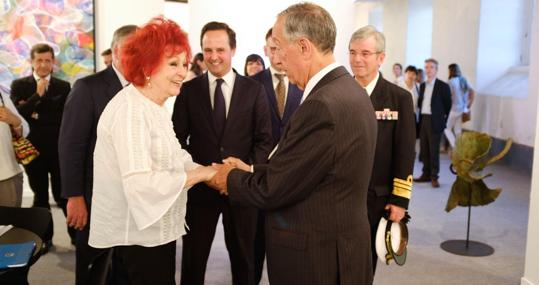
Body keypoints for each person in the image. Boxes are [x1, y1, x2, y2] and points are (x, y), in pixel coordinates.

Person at [208, 3, 377, 284]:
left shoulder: (322, 105)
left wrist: (230, 178)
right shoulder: (350, 90)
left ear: (303, 47)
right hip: (342, 250)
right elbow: (310, 171)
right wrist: (251, 171)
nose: (278, 59)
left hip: (316, 260)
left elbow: (274, 190)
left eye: (279, 46)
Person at [87, 18, 216, 285]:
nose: (182, 72)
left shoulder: (152, 106)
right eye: (173, 64)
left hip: (154, 234)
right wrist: (204, 174)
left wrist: (213, 173)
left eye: (185, 64)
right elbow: (141, 184)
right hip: (137, 240)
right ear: (146, 65)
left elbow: (175, 157)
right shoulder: (132, 111)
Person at [172, 21, 272, 285]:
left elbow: (264, 140)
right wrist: (202, 173)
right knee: (193, 261)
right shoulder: (189, 91)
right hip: (200, 190)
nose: (214, 56)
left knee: (244, 260)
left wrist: (243, 172)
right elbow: (176, 140)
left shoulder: (254, 90)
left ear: (233, 50)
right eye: (208, 50)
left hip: (240, 190)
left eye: (220, 49)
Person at [59, 24, 137, 285]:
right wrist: (75, 196)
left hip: (132, 201)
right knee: (95, 271)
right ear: (116, 51)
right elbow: (71, 146)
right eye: (131, 51)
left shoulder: (143, 89)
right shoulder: (87, 88)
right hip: (95, 201)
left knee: (126, 270)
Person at [348, 25, 416, 274]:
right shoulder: (338, 92)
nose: (357, 59)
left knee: (365, 263)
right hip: (338, 195)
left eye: (365, 53)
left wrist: (399, 200)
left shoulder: (399, 98)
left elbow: (405, 152)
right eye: (353, 52)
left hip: (374, 198)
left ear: (381, 58)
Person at [249, 27, 303, 283]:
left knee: (288, 251)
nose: (278, 56)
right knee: (254, 246)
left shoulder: (303, 85)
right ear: (265, 50)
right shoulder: (251, 85)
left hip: (293, 181)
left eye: (281, 49)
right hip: (259, 179)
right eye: (272, 49)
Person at [10, 43, 74, 249]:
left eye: (48, 60)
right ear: (32, 62)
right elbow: (18, 116)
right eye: (39, 60)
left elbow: (63, 117)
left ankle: (76, 237)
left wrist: (34, 112)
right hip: (33, 152)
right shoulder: (19, 85)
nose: (44, 65)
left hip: (58, 151)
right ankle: (45, 240)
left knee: (63, 194)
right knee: (40, 198)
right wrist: (36, 96)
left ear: (53, 62)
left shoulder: (63, 87)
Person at [414, 58, 451, 188]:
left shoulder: (443, 86)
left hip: (435, 121)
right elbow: (420, 102)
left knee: (433, 150)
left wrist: (441, 119)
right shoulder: (422, 86)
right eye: (426, 67)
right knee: (424, 149)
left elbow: (448, 105)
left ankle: (434, 177)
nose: (428, 70)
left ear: (436, 69)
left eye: (431, 67)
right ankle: (425, 174)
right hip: (423, 119)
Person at [0, 92, 29, 207]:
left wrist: (14, 120)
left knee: (10, 223)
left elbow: (24, 129)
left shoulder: (1, 96)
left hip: (7, 177)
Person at [444, 63, 475, 148]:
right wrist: (468, 105)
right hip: (463, 109)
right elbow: (472, 92)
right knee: (457, 130)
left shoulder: (450, 82)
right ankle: (460, 149)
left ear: (450, 71)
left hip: (453, 109)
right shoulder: (463, 80)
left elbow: (449, 96)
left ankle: (456, 147)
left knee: (446, 128)